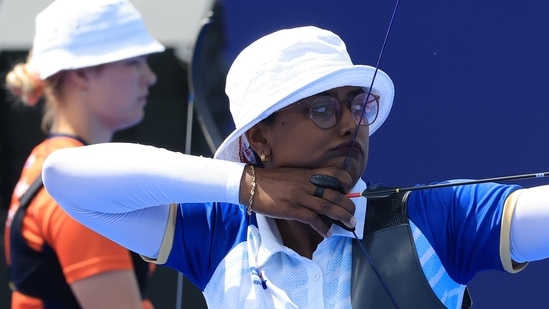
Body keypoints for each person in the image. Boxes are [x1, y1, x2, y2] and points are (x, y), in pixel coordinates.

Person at [40, 25, 549, 309]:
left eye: (358, 106)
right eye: (323, 109)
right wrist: (245, 186)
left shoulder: (437, 220)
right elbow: (65, 177)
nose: (351, 125)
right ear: (259, 137)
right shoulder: (220, 236)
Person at [3, 0, 165, 308]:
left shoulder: (51, 161)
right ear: (81, 74)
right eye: (134, 61)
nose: (149, 76)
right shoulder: (78, 185)